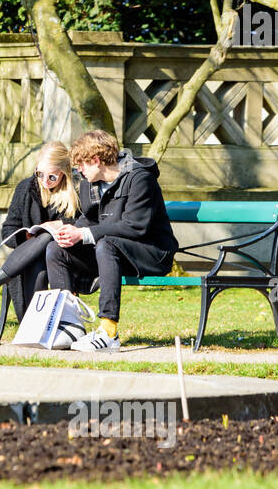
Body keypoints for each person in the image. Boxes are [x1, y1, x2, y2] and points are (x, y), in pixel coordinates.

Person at [45, 129, 178, 353]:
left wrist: (84, 234)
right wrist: (71, 231)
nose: (79, 171)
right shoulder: (90, 182)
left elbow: (135, 226)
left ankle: (109, 332)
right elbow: (89, 217)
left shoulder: (139, 178)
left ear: (96, 160)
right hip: (111, 252)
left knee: (107, 244)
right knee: (56, 250)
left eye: (82, 165)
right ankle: (71, 327)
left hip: (152, 252)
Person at [0, 141, 80, 317]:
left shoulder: (76, 189)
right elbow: (8, 229)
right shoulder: (26, 188)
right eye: (40, 174)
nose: (44, 181)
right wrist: (26, 237)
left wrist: (59, 225)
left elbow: (85, 223)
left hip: (67, 254)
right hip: (30, 257)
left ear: (64, 174)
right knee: (37, 260)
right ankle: (34, 326)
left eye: (52, 177)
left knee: (46, 238)